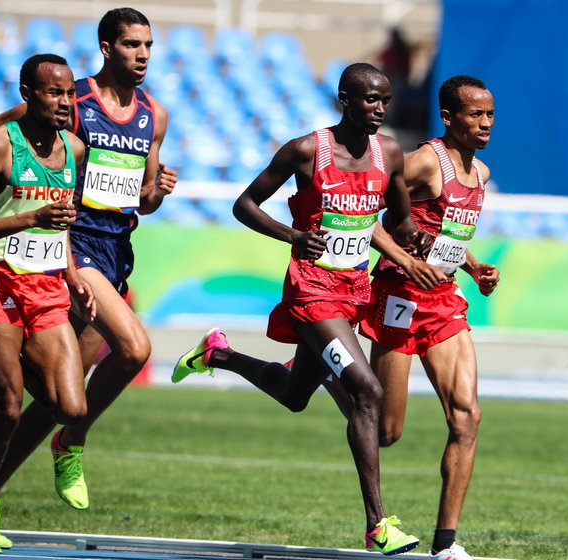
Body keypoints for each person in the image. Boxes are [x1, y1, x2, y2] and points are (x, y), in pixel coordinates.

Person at [173, 63, 425, 555]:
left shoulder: (389, 153)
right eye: (369, 100)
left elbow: (399, 219)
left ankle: (217, 355)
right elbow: (244, 204)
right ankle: (378, 523)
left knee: (293, 394)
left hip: (354, 290)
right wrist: (292, 235)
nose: (378, 109)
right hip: (311, 289)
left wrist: (415, 240)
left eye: (385, 100)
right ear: (343, 100)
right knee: (366, 390)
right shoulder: (306, 151)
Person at [0, 6, 177, 515]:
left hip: (117, 250)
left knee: (56, 399)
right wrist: (31, 196)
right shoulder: (71, 98)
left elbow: (140, 198)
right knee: (136, 349)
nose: (141, 55)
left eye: (147, 46)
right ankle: (73, 442)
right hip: (74, 247)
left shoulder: (153, 115)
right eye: (130, 45)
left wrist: (158, 191)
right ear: (106, 48)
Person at [0, 53, 94, 554]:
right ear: (27, 93)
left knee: (69, 406)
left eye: (70, 93)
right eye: (53, 92)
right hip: (0, 283)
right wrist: (28, 220)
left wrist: (73, 274)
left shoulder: (75, 148)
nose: (64, 102)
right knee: (8, 410)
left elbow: (64, 222)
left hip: (50, 288)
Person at [358, 75, 498, 560]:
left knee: (467, 417)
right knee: (387, 431)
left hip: (443, 303)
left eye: (490, 115)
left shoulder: (479, 174)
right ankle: (317, 371)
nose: (485, 124)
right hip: (398, 295)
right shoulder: (423, 162)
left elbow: (448, 237)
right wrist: (406, 257)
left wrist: (475, 268)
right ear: (448, 117)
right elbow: (361, 215)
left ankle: (446, 545)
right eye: (475, 114)